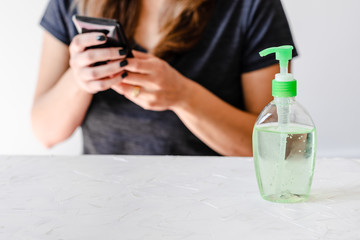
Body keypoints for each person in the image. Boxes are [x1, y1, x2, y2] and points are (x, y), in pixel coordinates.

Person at [32, 0, 297, 156]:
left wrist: (184, 96)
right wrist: (79, 81)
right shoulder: (72, 3)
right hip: (103, 195)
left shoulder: (251, 7)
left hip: (212, 198)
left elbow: (274, 146)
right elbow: (45, 132)